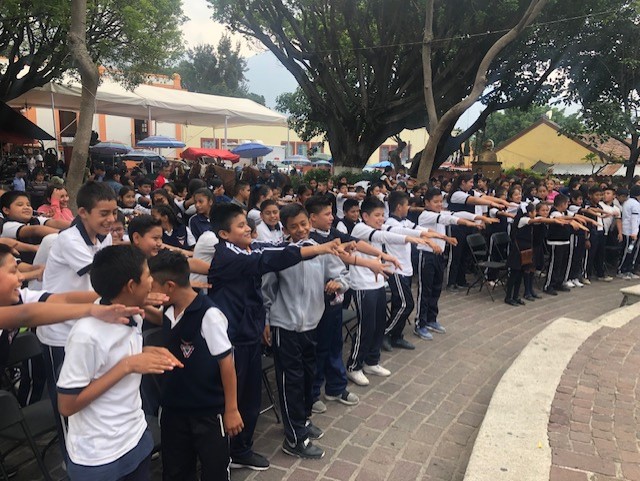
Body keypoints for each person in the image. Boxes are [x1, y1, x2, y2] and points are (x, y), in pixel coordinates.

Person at [207, 203, 342, 471]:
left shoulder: (248, 248)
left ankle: (242, 449)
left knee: (251, 398)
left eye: (247, 223)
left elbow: (273, 250)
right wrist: (318, 249)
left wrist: (326, 250)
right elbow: (268, 260)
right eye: (241, 225)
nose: (248, 229)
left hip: (250, 332)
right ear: (224, 234)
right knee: (240, 396)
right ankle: (227, 454)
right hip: (234, 337)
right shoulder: (229, 255)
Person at [57, 245, 182, 481]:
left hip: (135, 437)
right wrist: (128, 366)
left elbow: (115, 358)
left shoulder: (131, 312)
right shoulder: (86, 335)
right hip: (99, 456)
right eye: (148, 275)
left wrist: (144, 353)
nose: (152, 281)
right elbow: (67, 404)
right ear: (131, 286)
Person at [262, 204, 349, 459]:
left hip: (312, 324)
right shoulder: (280, 254)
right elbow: (267, 291)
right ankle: (294, 437)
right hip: (284, 325)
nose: (300, 230)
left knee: (309, 377)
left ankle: (302, 420)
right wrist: (265, 320)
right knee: (291, 380)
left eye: (303, 224)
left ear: (309, 223)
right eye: (293, 226)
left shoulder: (321, 250)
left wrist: (337, 284)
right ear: (285, 229)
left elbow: (342, 275)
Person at [39, 181, 118, 458]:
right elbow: (102, 278)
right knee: (66, 398)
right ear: (83, 212)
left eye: (114, 213)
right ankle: (70, 459)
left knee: (88, 393)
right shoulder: (69, 239)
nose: (110, 220)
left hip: (87, 325)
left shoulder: (104, 237)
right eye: (104, 214)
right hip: (59, 330)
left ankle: (92, 451)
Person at [148, 250, 242, 480]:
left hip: (208, 413)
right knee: (175, 470)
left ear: (169, 286)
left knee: (214, 470)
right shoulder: (168, 309)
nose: (150, 290)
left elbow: (226, 364)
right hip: (173, 410)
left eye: (152, 286)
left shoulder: (209, 315)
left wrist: (231, 409)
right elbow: (166, 322)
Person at [305, 196, 396, 414]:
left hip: (335, 299)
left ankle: (336, 388)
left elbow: (355, 244)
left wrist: (381, 255)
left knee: (334, 344)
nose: (332, 218)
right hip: (316, 302)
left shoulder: (331, 233)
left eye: (331, 213)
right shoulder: (310, 240)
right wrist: (370, 264)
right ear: (313, 218)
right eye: (327, 214)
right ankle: (313, 393)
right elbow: (344, 256)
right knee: (319, 349)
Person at [346, 196, 430, 386]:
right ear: (365, 216)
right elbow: (384, 237)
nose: (381, 219)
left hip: (377, 284)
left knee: (378, 325)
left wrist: (422, 235)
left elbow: (396, 230)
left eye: (382, 215)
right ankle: (354, 366)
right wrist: (410, 239)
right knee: (366, 327)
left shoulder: (378, 227)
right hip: (363, 285)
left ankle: (371, 362)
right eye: (377, 215)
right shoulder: (359, 229)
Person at [382, 191, 448, 351]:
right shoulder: (390, 224)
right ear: (399, 207)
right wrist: (429, 242)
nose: (409, 208)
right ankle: (384, 333)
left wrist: (444, 238)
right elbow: (411, 234)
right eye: (407, 205)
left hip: (406, 269)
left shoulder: (405, 221)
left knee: (399, 304)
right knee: (407, 304)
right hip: (395, 270)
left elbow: (420, 229)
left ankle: (396, 336)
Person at [415, 188, 478, 340]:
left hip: (438, 256)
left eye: (440, 201)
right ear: (427, 202)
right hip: (426, 256)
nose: (439, 204)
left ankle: (431, 319)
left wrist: (476, 218)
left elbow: (455, 214)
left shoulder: (440, 213)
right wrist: (467, 223)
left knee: (436, 288)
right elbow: (448, 219)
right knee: (425, 290)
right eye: (435, 202)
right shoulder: (426, 215)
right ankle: (420, 323)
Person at [0, 191, 68, 247]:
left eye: (28, 205)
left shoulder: (34, 220)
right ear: (6, 210)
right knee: (50, 239)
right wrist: (65, 234)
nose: (26, 207)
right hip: (21, 259)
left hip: (37, 256)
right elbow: (35, 230)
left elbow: (55, 222)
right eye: (20, 205)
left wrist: (73, 226)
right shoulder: (6, 226)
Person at [617, 185, 640, 279]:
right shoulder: (634, 204)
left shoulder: (628, 203)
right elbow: (634, 219)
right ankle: (621, 270)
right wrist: (634, 233)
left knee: (631, 251)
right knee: (627, 251)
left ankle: (628, 270)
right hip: (630, 232)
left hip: (630, 231)